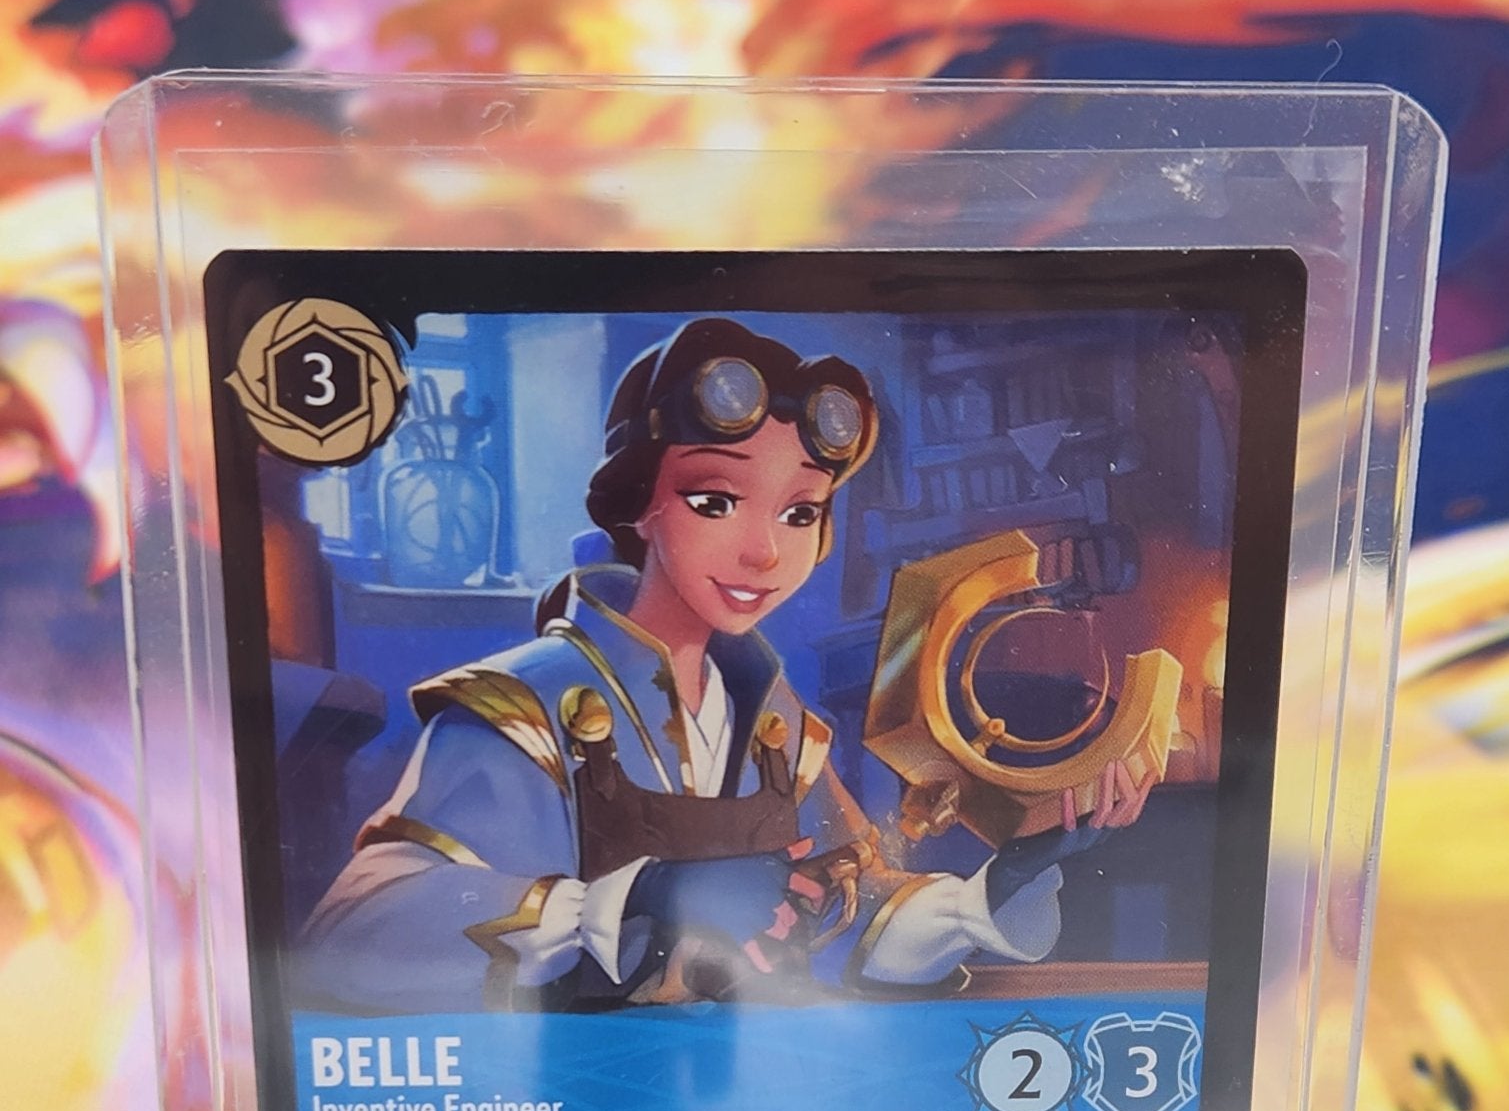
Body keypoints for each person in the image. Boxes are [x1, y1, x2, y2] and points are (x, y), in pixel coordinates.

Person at [297, 317, 1149, 1013]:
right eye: (715, 500)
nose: (763, 552)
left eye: (800, 512)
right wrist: (631, 902)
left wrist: (993, 891)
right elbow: (350, 937)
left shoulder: (775, 725)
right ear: (640, 504)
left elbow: (849, 919)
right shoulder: (525, 709)